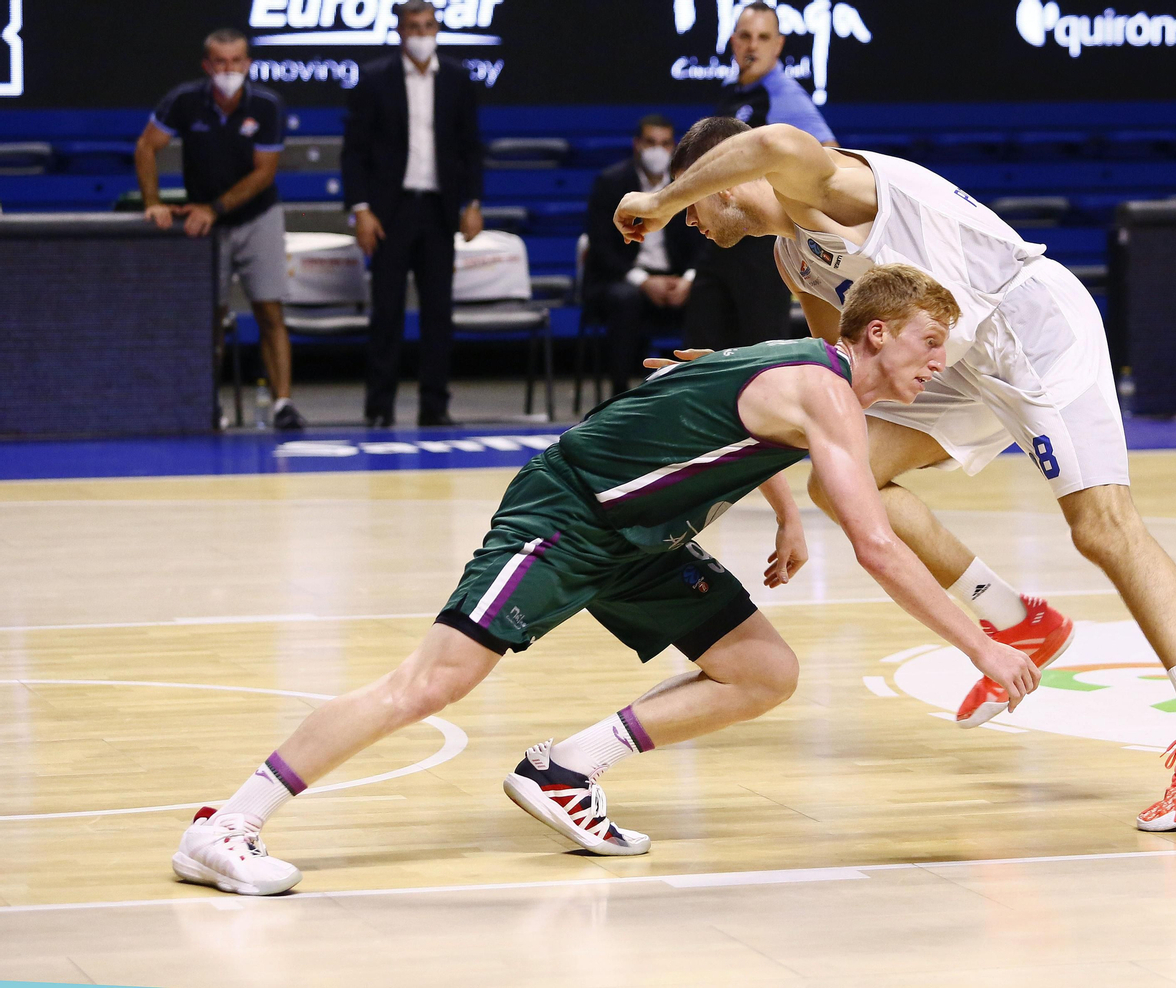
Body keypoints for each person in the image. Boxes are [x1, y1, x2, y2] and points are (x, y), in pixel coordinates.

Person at [171, 264, 1040, 895]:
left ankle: (565, 769)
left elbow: (710, 388)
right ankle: (227, 825)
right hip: (571, 513)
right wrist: (982, 645)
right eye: (931, 343)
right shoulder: (829, 394)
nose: (939, 363)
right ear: (878, 334)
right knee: (431, 682)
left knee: (764, 670)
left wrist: (781, 513)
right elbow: (879, 547)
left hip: (643, 540)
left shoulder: (805, 366)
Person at [618, 118, 1176, 833]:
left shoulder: (823, 186)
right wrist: (729, 370)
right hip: (954, 359)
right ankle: (1019, 621)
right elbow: (835, 369)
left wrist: (654, 197)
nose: (690, 224)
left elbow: (774, 143)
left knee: (1102, 527)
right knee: (845, 477)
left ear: (723, 176)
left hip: (1029, 330)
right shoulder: (793, 258)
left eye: (692, 206)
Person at [136, 28, 306, 430]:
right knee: (209, 315)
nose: (228, 69)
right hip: (204, 226)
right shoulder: (185, 100)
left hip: (256, 217)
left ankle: (283, 403)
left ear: (247, 64)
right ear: (207, 65)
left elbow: (264, 174)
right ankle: (206, 401)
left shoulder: (266, 105)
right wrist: (153, 203)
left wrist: (215, 208)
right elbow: (146, 146)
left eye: (236, 61)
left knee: (269, 310)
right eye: (220, 62)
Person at [342, 0, 484, 428]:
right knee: (386, 311)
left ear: (438, 29)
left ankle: (434, 405)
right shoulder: (373, 79)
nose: (422, 34)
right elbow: (355, 152)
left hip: (439, 209)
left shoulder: (457, 79)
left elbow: (470, 146)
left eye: (428, 26)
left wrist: (473, 203)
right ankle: (379, 406)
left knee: (438, 312)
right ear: (399, 31)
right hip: (390, 210)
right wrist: (361, 210)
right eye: (413, 26)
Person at [682, 1, 838, 353]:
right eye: (746, 36)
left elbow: (830, 159)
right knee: (702, 351)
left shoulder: (785, 96)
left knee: (759, 353)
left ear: (778, 45)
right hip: (718, 241)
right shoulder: (732, 92)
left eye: (763, 37)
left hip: (761, 249)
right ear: (734, 41)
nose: (753, 46)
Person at [583, 116, 703, 398]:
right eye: (651, 142)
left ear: (674, 147)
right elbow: (600, 246)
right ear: (637, 144)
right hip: (622, 277)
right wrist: (643, 281)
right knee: (626, 299)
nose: (657, 150)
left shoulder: (685, 185)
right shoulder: (611, 183)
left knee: (708, 293)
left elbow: (702, 241)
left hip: (674, 277)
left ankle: (696, 392)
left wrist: (687, 280)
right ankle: (620, 394)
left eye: (664, 143)